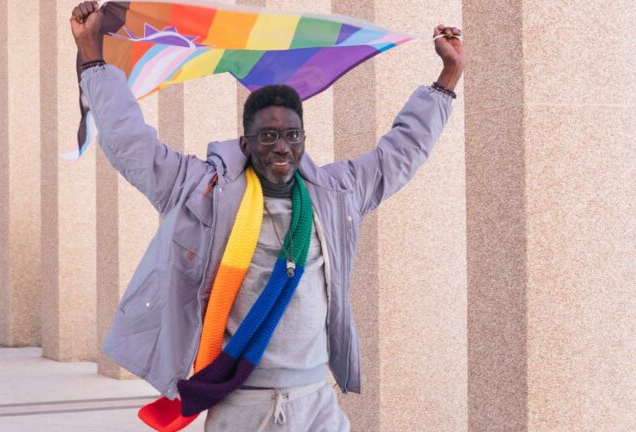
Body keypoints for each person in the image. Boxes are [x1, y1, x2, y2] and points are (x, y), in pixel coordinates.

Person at [70, 2, 464, 431]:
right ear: (246, 142)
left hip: (316, 401)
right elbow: (130, 141)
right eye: (269, 136)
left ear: (303, 140)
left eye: (292, 135)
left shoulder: (335, 194)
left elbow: (399, 153)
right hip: (242, 405)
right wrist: (91, 51)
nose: (281, 147)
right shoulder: (200, 190)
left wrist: (447, 78)